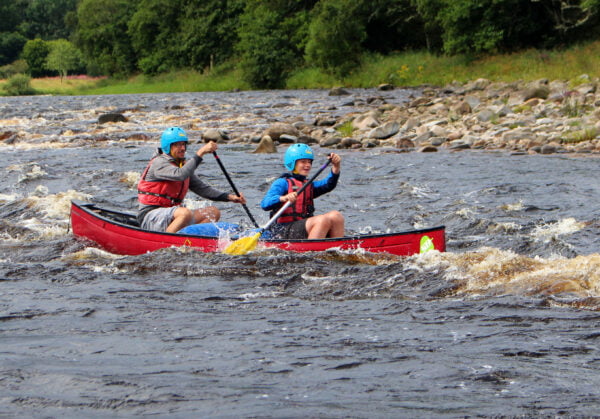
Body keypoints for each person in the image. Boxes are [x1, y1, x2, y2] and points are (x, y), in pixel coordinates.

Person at [137, 126, 246, 233]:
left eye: (184, 144)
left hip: (172, 216)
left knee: (213, 212)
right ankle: (165, 243)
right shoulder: (159, 163)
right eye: (178, 145)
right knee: (185, 213)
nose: (183, 148)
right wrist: (201, 152)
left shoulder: (181, 165)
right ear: (168, 146)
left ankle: (192, 241)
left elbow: (202, 189)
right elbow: (180, 175)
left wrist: (230, 197)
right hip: (151, 217)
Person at [260, 143, 344, 239]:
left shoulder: (308, 184)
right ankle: (313, 251)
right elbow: (265, 204)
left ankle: (338, 248)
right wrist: (283, 198)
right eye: (303, 162)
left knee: (336, 216)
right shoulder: (282, 182)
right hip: (282, 230)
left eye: (309, 162)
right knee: (322, 220)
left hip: (302, 226)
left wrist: (336, 167)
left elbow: (328, 184)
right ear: (293, 163)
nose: (307, 165)